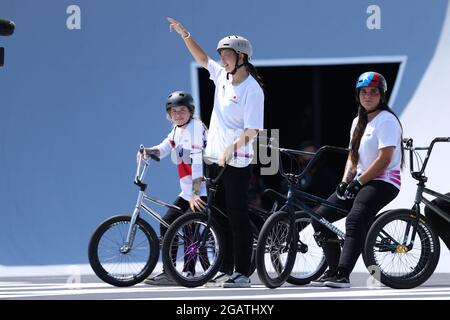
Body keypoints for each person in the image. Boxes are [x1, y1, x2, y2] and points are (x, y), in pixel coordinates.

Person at [167, 17, 264, 288]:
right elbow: (201, 57)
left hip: (237, 161)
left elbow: (253, 130)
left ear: (241, 56)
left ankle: (243, 273)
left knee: (236, 216)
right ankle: (225, 268)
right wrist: (185, 34)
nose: (222, 58)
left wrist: (230, 150)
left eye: (227, 54)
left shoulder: (252, 90)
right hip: (214, 159)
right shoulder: (222, 75)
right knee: (217, 216)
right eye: (221, 54)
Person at [310, 71, 404, 288]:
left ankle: (342, 274)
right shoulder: (357, 122)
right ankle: (332, 270)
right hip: (360, 180)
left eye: (373, 92)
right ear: (358, 95)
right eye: (364, 92)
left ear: (381, 95)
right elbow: (353, 157)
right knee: (319, 218)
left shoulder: (387, 120)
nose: (368, 96)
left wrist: (359, 182)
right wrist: (345, 181)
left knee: (354, 219)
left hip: (384, 181)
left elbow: (385, 158)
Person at [139, 91, 208, 285]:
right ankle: (169, 270)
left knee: (189, 228)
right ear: (169, 114)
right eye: (174, 111)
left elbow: (197, 164)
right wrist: (147, 151)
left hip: (201, 190)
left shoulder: (195, 128)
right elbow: (164, 148)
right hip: (188, 191)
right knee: (167, 223)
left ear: (190, 111)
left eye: (182, 110)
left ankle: (188, 272)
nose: (178, 114)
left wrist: (195, 195)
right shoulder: (178, 129)